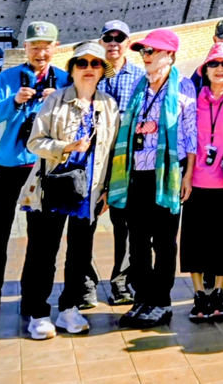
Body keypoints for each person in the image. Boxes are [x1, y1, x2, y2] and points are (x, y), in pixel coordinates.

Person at [18, 42, 120, 339]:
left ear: (103, 70)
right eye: (82, 63)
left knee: (80, 254)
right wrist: (67, 146)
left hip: (89, 191)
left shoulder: (108, 105)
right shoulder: (56, 101)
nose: (89, 69)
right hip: (53, 186)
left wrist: (108, 191)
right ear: (73, 68)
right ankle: (38, 312)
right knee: (43, 252)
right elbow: (35, 142)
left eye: (95, 64)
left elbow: (114, 151)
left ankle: (69, 309)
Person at [0, 21, 69, 321]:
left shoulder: (65, 79)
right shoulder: (8, 77)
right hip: (8, 166)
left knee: (39, 238)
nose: (40, 53)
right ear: (25, 49)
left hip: (43, 167)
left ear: (55, 48)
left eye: (46, 47)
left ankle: (31, 301)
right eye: (34, 47)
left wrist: (58, 100)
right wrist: (14, 100)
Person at [108, 29, 197, 329]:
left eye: (152, 51)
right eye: (144, 52)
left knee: (164, 241)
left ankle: (162, 301)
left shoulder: (184, 88)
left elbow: (190, 134)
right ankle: (142, 298)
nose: (146, 57)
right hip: (137, 174)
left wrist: (190, 174)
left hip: (167, 175)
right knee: (138, 241)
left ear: (170, 55)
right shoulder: (138, 86)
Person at [182, 42, 223, 323]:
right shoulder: (193, 98)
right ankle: (198, 294)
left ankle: (218, 292)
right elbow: (187, 139)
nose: (220, 69)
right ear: (205, 70)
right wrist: (185, 176)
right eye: (214, 64)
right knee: (194, 238)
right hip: (195, 180)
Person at [97, 20, 146, 307]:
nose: (114, 43)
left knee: (124, 223)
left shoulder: (140, 76)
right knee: (84, 223)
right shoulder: (91, 72)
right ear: (102, 42)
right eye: (108, 38)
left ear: (128, 42)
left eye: (119, 38)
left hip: (124, 162)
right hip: (92, 160)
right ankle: (85, 283)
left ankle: (122, 280)